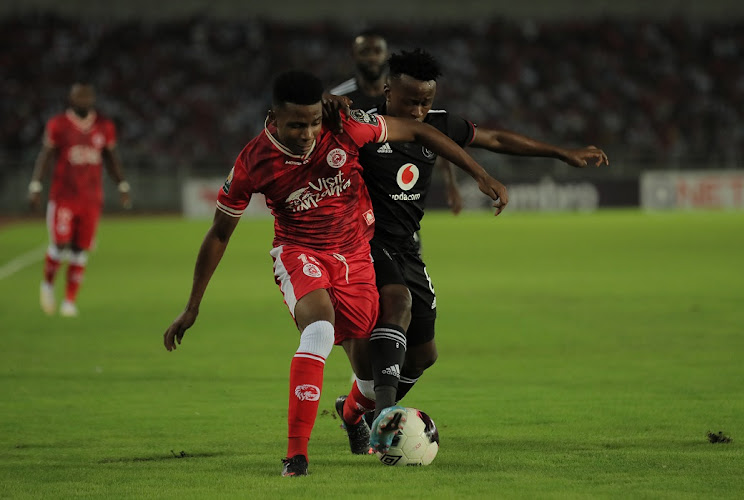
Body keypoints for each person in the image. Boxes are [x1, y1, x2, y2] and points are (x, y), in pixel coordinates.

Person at [162, 70, 508, 477]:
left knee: (366, 373)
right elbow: (220, 233)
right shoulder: (253, 162)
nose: (307, 132)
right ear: (273, 116)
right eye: (296, 124)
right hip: (300, 253)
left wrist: (480, 174)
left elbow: (416, 130)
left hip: (356, 257)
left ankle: (350, 412)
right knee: (320, 329)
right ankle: (296, 455)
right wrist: (192, 306)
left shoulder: (345, 126)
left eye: (312, 121)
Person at [337, 49, 609, 453]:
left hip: (407, 247)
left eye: (425, 101)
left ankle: (353, 410)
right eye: (410, 101)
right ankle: (385, 422)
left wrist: (559, 152)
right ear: (389, 90)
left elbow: (495, 139)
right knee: (397, 303)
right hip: (363, 241)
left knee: (423, 356)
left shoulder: (438, 124)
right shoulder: (363, 125)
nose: (418, 110)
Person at [330, 31, 463, 216]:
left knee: (406, 238)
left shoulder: (405, 92)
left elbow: (434, 135)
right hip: (356, 195)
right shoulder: (339, 98)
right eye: (365, 51)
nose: (372, 57)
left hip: (402, 191)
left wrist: (451, 184)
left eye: (377, 51)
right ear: (354, 55)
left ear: (386, 55)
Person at [29, 82, 131, 317]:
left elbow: (111, 157)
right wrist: (36, 185)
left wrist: (122, 185)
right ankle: (47, 285)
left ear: (93, 99)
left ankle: (69, 301)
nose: (84, 101)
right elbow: (46, 155)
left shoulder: (104, 126)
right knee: (60, 244)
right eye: (79, 97)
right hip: (63, 196)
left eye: (87, 97)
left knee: (79, 249)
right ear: (71, 100)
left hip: (91, 199)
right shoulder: (59, 125)